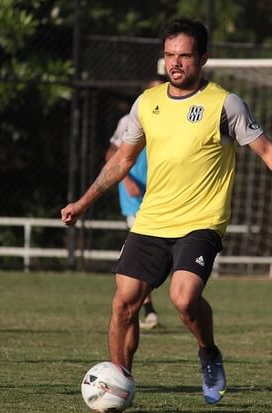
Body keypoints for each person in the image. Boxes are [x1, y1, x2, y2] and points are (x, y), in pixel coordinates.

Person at [61, 17, 272, 405]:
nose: (175, 63)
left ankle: (208, 351)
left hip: (201, 222)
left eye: (185, 56)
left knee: (183, 298)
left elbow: (267, 150)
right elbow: (122, 160)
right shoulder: (147, 103)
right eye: (170, 55)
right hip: (152, 221)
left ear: (203, 58)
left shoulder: (225, 105)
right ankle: (119, 384)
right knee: (123, 302)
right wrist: (83, 202)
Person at [105, 77, 165, 330]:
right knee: (141, 252)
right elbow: (112, 154)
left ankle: (143, 303)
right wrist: (127, 179)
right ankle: (145, 307)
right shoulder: (131, 118)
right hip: (136, 195)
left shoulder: (179, 117)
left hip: (165, 193)